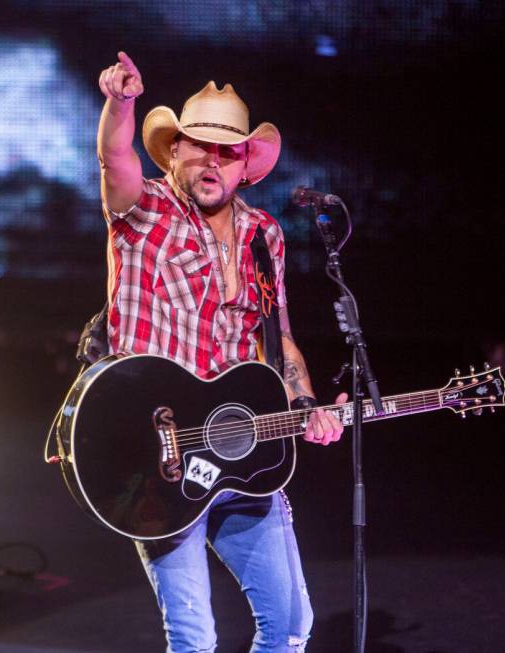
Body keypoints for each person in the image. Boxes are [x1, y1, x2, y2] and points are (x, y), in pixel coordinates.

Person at [97, 51, 347, 653]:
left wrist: (307, 402)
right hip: (160, 457)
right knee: (195, 639)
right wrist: (121, 102)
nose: (212, 160)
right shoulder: (144, 209)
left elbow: (277, 335)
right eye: (198, 146)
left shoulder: (266, 236)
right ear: (175, 150)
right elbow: (114, 156)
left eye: (227, 151)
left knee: (290, 626)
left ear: (246, 167)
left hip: (241, 451)